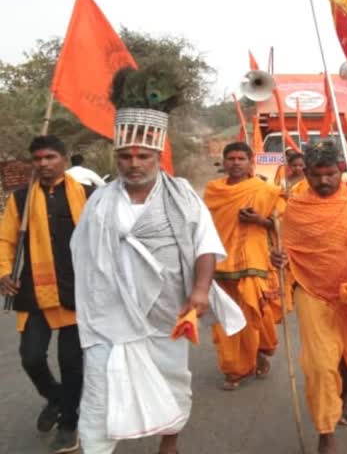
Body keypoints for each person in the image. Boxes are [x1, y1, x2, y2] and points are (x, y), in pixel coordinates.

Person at [71, 65, 241, 454]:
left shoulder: (181, 196)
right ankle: (96, 446)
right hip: (108, 317)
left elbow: (205, 244)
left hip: (167, 311)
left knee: (171, 378)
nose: (134, 163)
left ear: (157, 156)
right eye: (126, 156)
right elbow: (82, 254)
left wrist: (200, 292)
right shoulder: (99, 201)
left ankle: (169, 441)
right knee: (100, 384)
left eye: (143, 156)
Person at [270, 142, 347, 454]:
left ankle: (344, 394)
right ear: (305, 173)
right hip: (312, 291)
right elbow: (287, 248)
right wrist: (280, 258)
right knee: (320, 365)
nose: (324, 181)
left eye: (331, 174)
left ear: (342, 171)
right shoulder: (293, 207)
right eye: (316, 175)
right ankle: (326, 430)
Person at [0, 135, 93, 453]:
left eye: (50, 157)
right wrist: (3, 271)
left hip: (77, 292)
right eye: (37, 159)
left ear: (64, 158)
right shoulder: (20, 200)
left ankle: (69, 423)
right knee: (31, 357)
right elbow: (5, 241)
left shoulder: (89, 195)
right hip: (35, 291)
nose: (43, 164)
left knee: (72, 362)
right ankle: (56, 397)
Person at [203, 141, 285, 390]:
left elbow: (285, 224)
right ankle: (235, 368)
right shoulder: (213, 190)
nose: (236, 163)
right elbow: (202, 226)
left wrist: (261, 220)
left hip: (253, 259)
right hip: (218, 260)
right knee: (224, 316)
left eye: (241, 159)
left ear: (250, 162)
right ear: (224, 162)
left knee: (252, 311)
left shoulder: (266, 190)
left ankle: (257, 352)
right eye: (231, 158)